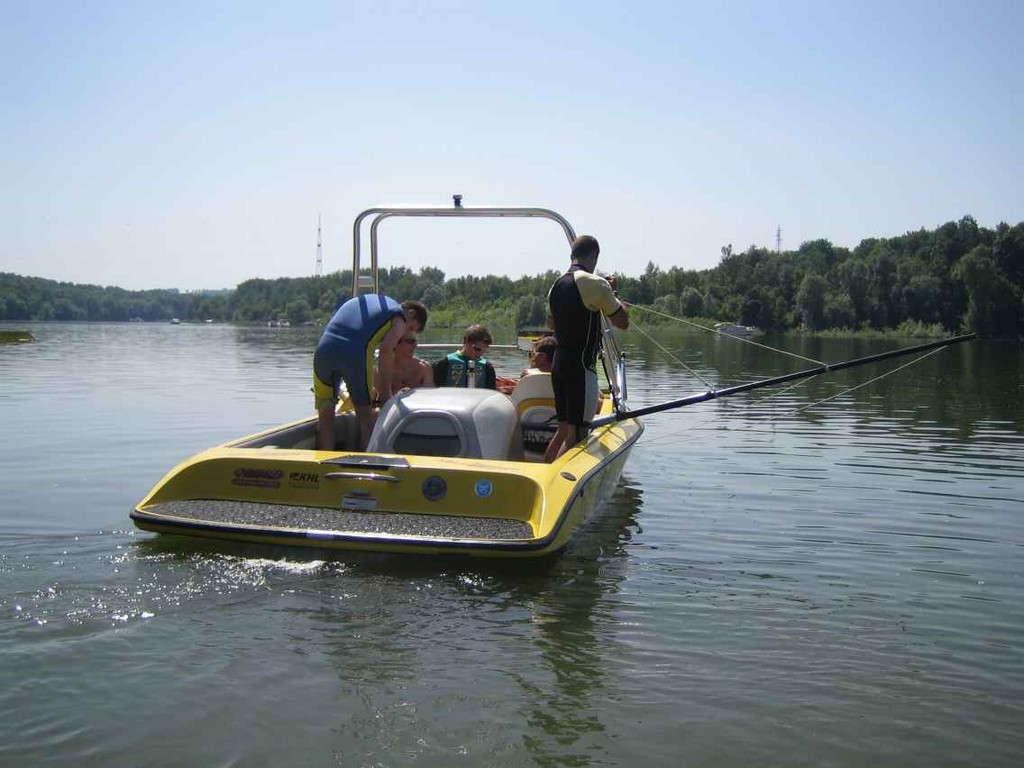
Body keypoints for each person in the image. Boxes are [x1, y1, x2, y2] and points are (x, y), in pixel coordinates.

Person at [545, 234, 629, 462]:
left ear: (572, 255)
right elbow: (622, 322)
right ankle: (555, 486)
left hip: (559, 365)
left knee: (563, 430)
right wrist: (613, 295)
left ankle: (544, 468)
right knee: (578, 435)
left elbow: (551, 323)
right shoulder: (596, 284)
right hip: (581, 368)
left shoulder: (556, 285)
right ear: (594, 256)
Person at [313, 294, 421, 450]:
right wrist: (386, 395)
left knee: (325, 416)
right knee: (366, 420)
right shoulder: (398, 317)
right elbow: (385, 350)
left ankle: (322, 467)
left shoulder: (369, 303)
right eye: (411, 328)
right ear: (409, 314)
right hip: (354, 354)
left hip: (323, 351)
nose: (405, 334)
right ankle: (367, 466)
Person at [432, 324, 498, 389]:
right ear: (466, 342)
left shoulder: (487, 367)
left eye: (484, 350)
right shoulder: (445, 363)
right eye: (477, 349)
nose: (480, 353)